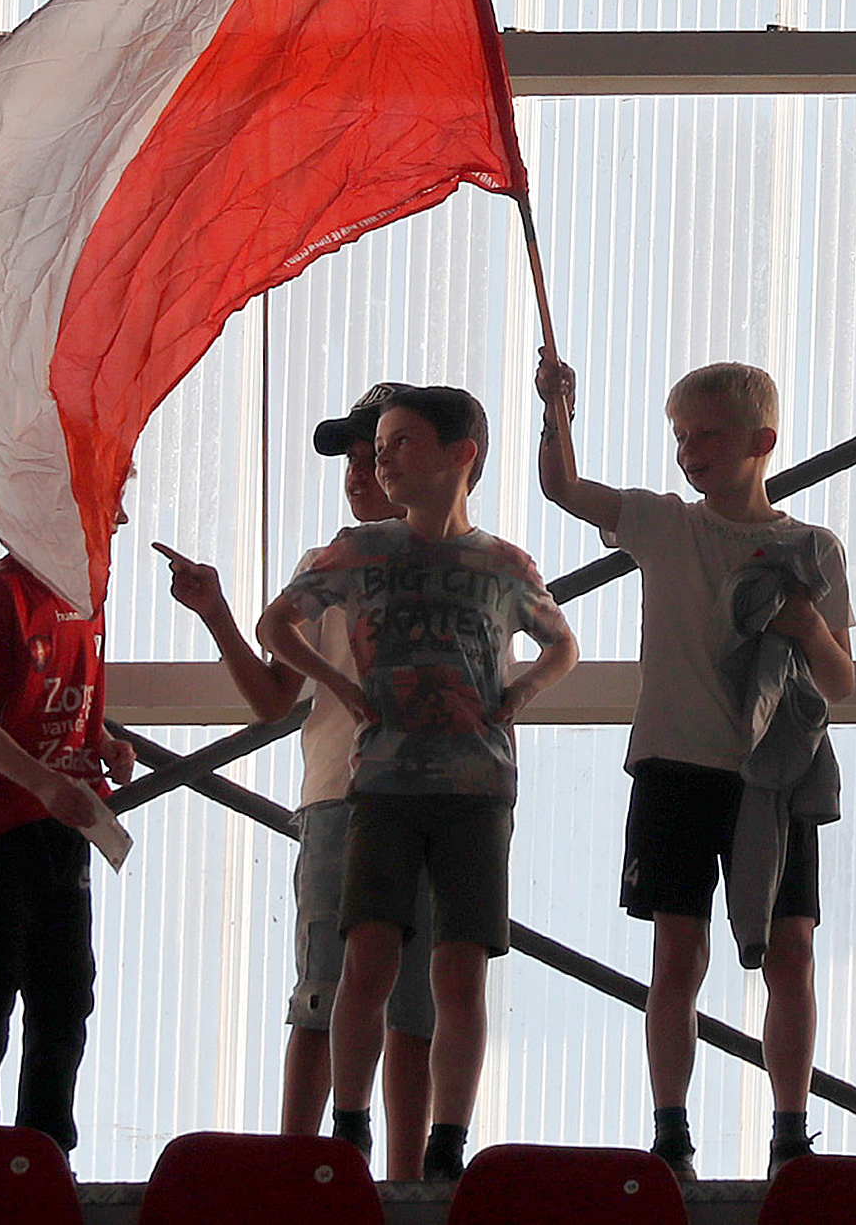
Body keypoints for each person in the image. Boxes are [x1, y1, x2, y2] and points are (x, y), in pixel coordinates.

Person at [535, 355, 856, 1178]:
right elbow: (566, 489)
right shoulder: (663, 522)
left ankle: (791, 1133)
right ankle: (670, 1134)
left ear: (763, 441)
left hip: (775, 777)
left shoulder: (811, 546)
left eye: (707, 433)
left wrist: (804, 624)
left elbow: (841, 678)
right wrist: (556, 409)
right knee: (678, 954)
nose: (689, 450)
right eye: (680, 436)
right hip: (675, 766)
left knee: (790, 953)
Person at [258, 383, 579, 1181]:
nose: (381, 461)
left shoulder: (501, 563)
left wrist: (521, 695)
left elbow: (560, 643)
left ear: (459, 455)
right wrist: (341, 686)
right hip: (378, 785)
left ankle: (441, 1145)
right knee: (358, 961)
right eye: (378, 448)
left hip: (474, 787)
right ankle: (346, 1128)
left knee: (453, 970)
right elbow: (276, 629)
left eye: (400, 443)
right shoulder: (358, 552)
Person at [158, 381, 440, 1180]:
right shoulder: (326, 567)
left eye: (375, 455)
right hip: (339, 798)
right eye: (353, 460)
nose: (359, 473)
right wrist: (218, 613)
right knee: (328, 984)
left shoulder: (460, 564)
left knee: (405, 999)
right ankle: (302, 1166)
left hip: (423, 800)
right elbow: (273, 698)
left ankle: (404, 1179)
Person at [0, 549, 133, 1153]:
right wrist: (43, 782)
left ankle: (44, 1147)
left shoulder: (88, 589)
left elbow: (70, 690)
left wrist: (103, 740)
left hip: (65, 818)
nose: (116, 519)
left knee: (66, 989)